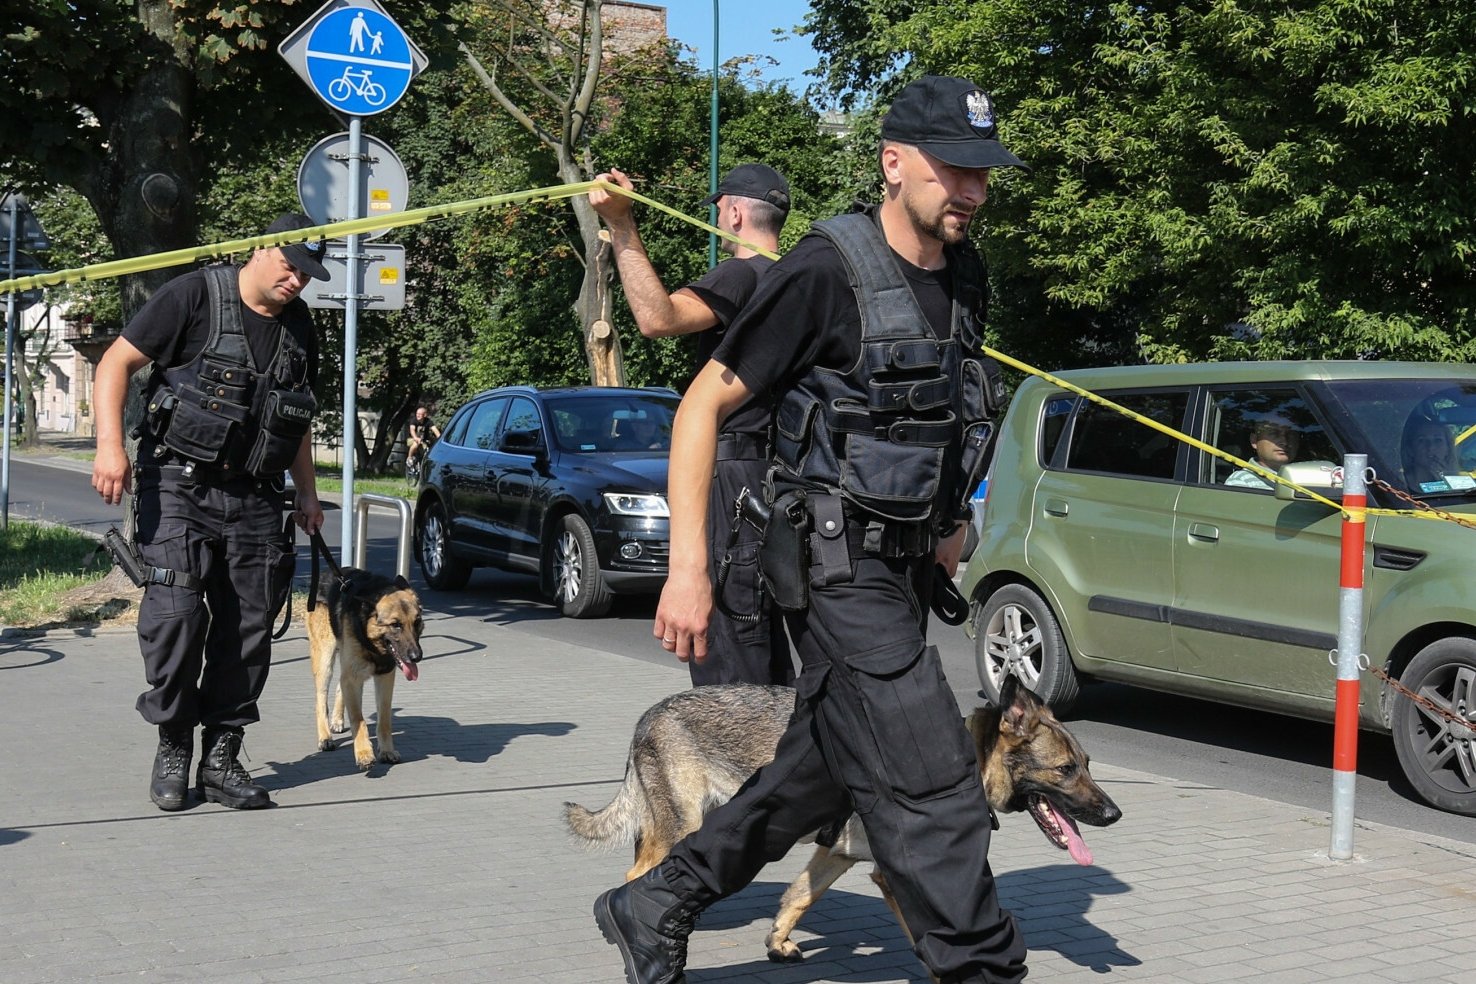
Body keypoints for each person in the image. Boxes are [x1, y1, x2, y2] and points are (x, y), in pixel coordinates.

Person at [592, 76, 1026, 984]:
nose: (973, 191)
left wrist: (952, 521)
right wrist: (688, 568)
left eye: (985, 173)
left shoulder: (966, 272)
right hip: (836, 566)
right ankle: (983, 969)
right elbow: (701, 405)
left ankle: (655, 899)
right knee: (938, 778)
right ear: (894, 161)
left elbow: (948, 418)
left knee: (820, 771)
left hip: (906, 569)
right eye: (956, 170)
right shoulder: (824, 272)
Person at [91, 213, 329, 812]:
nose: (296, 280)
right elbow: (114, 364)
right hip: (178, 485)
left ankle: (221, 758)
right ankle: (174, 742)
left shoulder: (300, 328)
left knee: (249, 631)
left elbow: (294, 418)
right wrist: (110, 447)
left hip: (255, 496)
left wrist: (306, 491)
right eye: (289, 264)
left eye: (307, 272)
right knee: (174, 619)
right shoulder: (194, 295)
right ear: (260, 247)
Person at [589, 162, 795, 687]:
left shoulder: (741, 274)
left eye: (720, 208)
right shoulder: (795, 280)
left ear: (734, 212)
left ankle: (740, 765)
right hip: (780, 480)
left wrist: (622, 226)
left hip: (733, 483)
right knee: (767, 655)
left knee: (727, 652)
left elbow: (659, 318)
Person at [1225, 415, 1300, 489]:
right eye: (1274, 433)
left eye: (1290, 434)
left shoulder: (1305, 477)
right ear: (1254, 441)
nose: (1284, 441)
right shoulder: (1241, 481)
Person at [1403, 417, 1456, 489]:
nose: (1431, 447)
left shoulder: (1460, 483)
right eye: (1422, 440)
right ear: (1410, 450)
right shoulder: (1399, 483)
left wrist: (1448, 482)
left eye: (1438, 440)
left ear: (1448, 449)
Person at [406, 405, 440, 471]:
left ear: (424, 415)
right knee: (416, 444)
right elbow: (412, 430)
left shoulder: (428, 421)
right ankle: (409, 458)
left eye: (419, 414)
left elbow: (435, 430)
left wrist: (440, 438)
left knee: (429, 450)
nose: (417, 415)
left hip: (423, 440)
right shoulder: (414, 420)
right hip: (412, 439)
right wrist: (415, 437)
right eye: (417, 413)